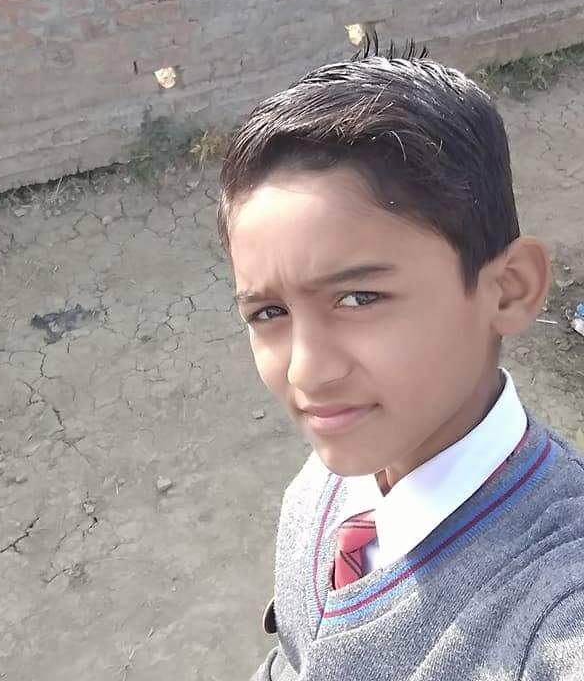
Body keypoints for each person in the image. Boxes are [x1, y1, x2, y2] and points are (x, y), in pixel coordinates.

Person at [217, 39, 584, 680]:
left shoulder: (554, 604)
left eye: (359, 298)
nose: (305, 372)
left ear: (508, 289)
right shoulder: (327, 486)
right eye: (269, 313)